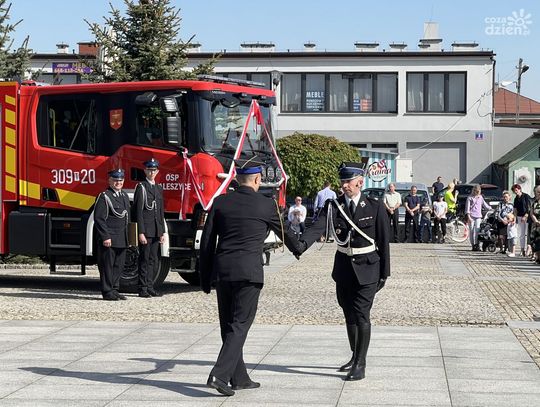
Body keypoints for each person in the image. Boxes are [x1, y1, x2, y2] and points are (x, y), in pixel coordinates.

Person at [199, 159, 302, 396]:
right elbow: (284, 232)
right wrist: (299, 248)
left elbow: (207, 243)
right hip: (249, 273)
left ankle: (239, 378)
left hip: (224, 271)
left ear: (236, 179)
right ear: (257, 179)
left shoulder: (220, 202)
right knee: (240, 325)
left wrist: (205, 278)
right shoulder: (266, 204)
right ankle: (219, 375)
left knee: (228, 326)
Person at [297, 162, 390, 381]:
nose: (345, 185)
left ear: (360, 182)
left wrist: (384, 273)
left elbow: (384, 241)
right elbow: (317, 227)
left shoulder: (375, 206)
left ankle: (360, 364)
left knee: (361, 314)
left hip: (368, 268)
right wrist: (300, 245)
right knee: (348, 313)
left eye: (348, 181)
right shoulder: (334, 206)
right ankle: (354, 355)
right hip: (343, 268)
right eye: (342, 181)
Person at [94, 169, 130, 301]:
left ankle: (114, 289)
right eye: (115, 180)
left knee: (118, 265)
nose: (118, 182)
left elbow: (127, 218)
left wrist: (129, 237)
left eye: (120, 180)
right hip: (110, 238)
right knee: (107, 266)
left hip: (122, 237)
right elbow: (99, 218)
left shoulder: (124, 196)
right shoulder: (104, 196)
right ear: (109, 181)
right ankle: (107, 291)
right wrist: (105, 236)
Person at [133, 158, 166, 298]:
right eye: (149, 170)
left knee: (153, 260)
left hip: (156, 229)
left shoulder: (158, 188)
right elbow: (138, 211)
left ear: (157, 171)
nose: (152, 172)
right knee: (144, 259)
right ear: (145, 171)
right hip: (146, 230)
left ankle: (150, 286)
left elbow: (160, 211)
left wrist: (162, 232)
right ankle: (142, 288)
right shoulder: (141, 187)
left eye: (154, 170)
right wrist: (141, 232)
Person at [465, 184, 491, 251]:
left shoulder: (480, 197)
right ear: (474, 190)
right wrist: (469, 217)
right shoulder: (470, 198)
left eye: (478, 191)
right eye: (476, 191)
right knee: (471, 231)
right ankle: (473, 245)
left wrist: (490, 209)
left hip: (478, 216)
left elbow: (485, 205)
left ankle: (477, 244)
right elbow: (467, 209)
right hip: (471, 216)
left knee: (477, 230)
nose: (477, 193)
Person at [512, 184, 531, 256]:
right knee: (521, 234)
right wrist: (514, 218)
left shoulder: (526, 196)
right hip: (519, 217)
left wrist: (525, 216)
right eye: (514, 191)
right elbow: (515, 209)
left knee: (528, 234)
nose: (515, 192)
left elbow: (529, 207)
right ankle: (522, 250)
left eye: (516, 190)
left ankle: (529, 249)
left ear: (519, 189)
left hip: (527, 216)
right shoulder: (516, 198)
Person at [529, 186, 540, 263]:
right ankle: (538, 258)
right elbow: (531, 213)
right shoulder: (535, 203)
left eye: (537, 192)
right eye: (536, 192)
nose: (536, 194)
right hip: (536, 225)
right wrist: (536, 221)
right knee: (536, 242)